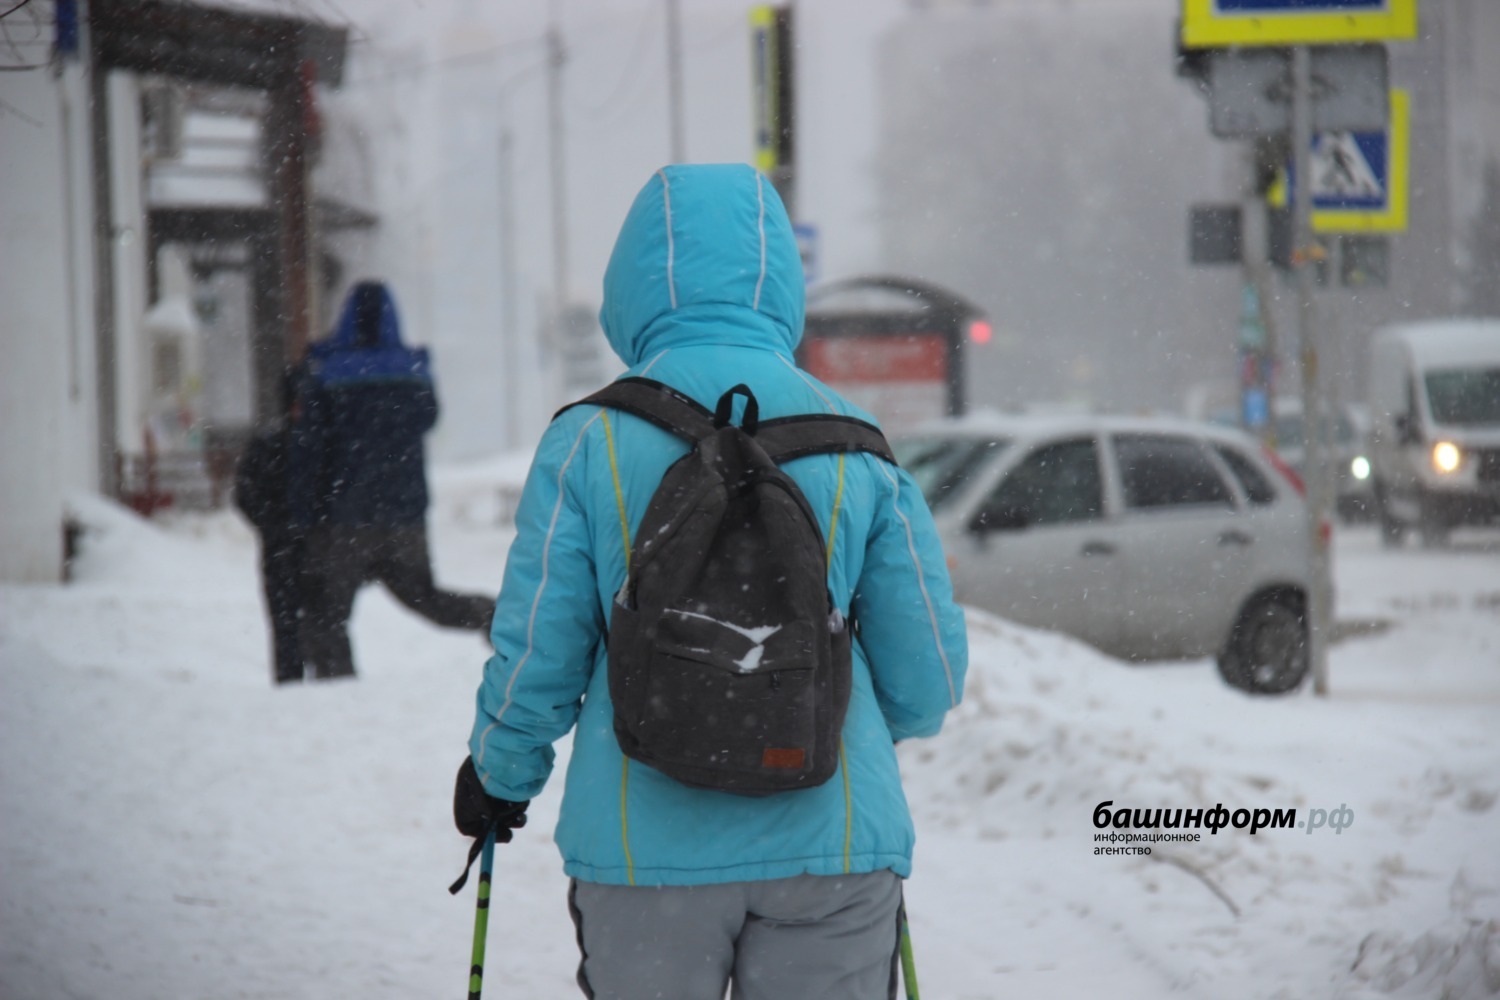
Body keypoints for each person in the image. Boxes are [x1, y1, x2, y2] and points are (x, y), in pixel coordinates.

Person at [453, 164, 968, 999]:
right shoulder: (856, 440)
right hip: (833, 848)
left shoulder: (587, 439)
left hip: (642, 855)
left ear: (632, 286)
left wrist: (499, 776)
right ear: (781, 286)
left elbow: (537, 656)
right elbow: (929, 680)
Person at [288, 281, 494, 680]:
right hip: (404, 515)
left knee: (327, 614)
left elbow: (309, 447)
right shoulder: (413, 372)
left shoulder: (326, 372)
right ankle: (500, 619)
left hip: (345, 515)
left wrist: (303, 510)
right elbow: (429, 418)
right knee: (427, 598)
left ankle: (337, 689)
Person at [233, 372, 307, 685]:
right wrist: (275, 525)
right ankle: (297, 691)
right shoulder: (277, 445)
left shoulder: (271, 444)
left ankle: (315, 692)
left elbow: (245, 495)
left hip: (297, 547)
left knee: (299, 625)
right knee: (291, 625)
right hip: (289, 548)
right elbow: (245, 495)